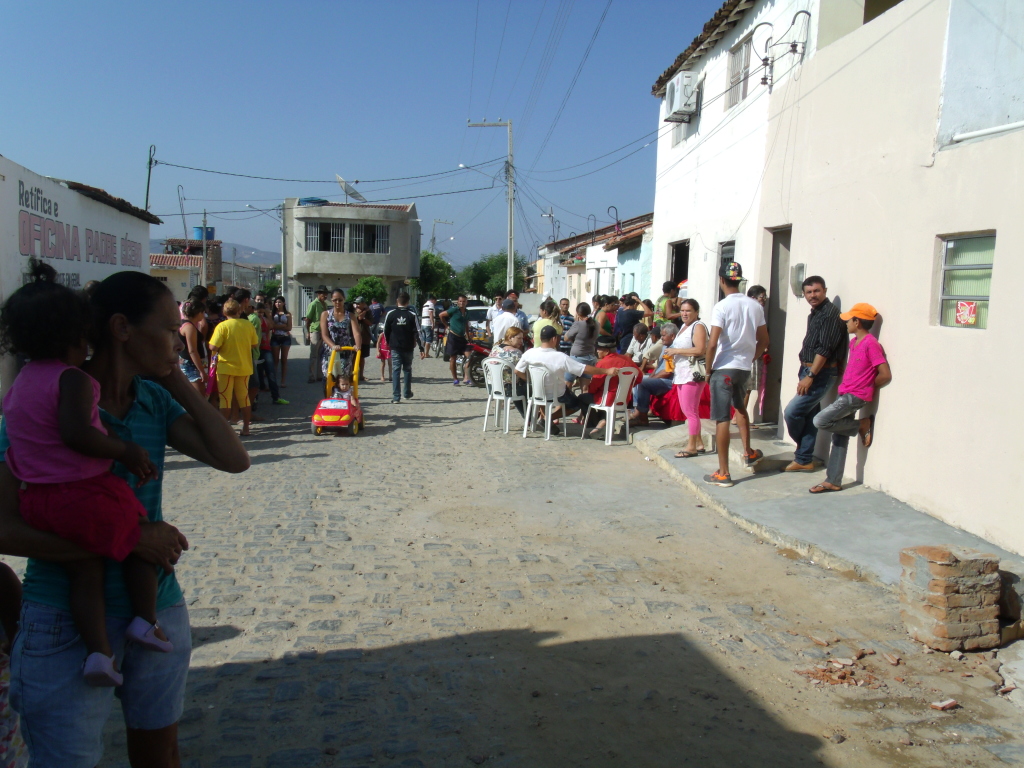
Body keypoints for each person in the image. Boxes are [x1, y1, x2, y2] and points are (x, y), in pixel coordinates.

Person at [0, 268, 248, 767]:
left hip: (156, 610)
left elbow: (232, 458)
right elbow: (4, 527)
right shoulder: (39, 405)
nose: (180, 335)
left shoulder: (153, 400)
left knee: (159, 754)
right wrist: (128, 540)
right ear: (121, 328)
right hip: (64, 621)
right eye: (167, 326)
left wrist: (173, 375)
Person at [0, 260, 169, 687]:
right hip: (82, 491)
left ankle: (98, 652)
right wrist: (125, 449)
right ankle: (145, 620)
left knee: (85, 572)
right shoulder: (72, 380)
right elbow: (77, 433)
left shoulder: (20, 383)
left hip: (39, 498)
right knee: (139, 540)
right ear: (75, 335)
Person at [809, 304, 892, 494]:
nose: (846, 323)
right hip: (845, 392)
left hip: (854, 396)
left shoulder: (871, 343)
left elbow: (885, 374)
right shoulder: (854, 342)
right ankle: (834, 481)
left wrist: (866, 387)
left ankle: (862, 425)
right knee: (840, 436)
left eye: (849, 319)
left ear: (857, 322)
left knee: (820, 420)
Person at [703, 262, 769, 487]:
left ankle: (723, 473)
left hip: (724, 368)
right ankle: (748, 452)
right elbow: (765, 340)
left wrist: (708, 369)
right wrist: (750, 358)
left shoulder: (721, 307)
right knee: (740, 407)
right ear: (739, 280)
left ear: (721, 280)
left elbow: (712, 344)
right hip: (743, 368)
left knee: (722, 419)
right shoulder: (755, 306)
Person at [783, 276, 848, 472]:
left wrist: (810, 376)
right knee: (809, 416)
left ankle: (802, 451)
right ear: (804, 294)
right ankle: (804, 459)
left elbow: (824, 350)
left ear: (825, 291)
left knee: (792, 413)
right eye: (809, 292)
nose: (813, 295)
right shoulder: (815, 313)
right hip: (808, 369)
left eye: (817, 291)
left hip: (820, 373)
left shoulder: (829, 315)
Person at [515, 325, 617, 433]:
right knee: (577, 404)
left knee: (543, 390)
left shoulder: (529, 353)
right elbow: (583, 369)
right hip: (557, 395)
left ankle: (545, 419)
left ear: (540, 339)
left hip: (536, 393)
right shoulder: (560, 357)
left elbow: (517, 371)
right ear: (554, 339)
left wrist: (531, 381)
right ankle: (547, 419)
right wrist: (606, 371)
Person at [662, 299, 709, 458]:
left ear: (696, 312)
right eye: (682, 310)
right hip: (681, 373)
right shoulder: (684, 327)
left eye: (688, 311)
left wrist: (676, 351)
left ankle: (691, 447)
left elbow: (700, 349)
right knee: (688, 410)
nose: (684, 314)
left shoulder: (698, 326)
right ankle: (699, 443)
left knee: (690, 412)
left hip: (692, 374)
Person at [209, 298, 260, 436]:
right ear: (239, 310)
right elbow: (255, 343)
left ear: (224, 312)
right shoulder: (247, 325)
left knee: (225, 399)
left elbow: (213, 346)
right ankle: (246, 429)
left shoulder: (222, 326)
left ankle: (225, 432)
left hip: (225, 368)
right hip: (244, 367)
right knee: (244, 398)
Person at [584, 336, 642, 437]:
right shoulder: (627, 360)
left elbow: (593, 387)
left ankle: (598, 424)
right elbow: (639, 377)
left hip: (605, 399)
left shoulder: (602, 363)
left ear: (606, 351)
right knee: (603, 401)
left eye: (599, 349)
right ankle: (603, 422)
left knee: (582, 398)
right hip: (624, 399)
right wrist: (626, 388)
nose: (597, 351)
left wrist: (589, 389)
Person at [628, 324, 678, 427]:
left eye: (663, 335)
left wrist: (651, 379)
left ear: (672, 336)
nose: (661, 338)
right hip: (660, 378)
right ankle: (638, 410)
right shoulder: (665, 346)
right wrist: (651, 377)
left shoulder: (675, 349)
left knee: (642, 382)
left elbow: (667, 372)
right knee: (638, 379)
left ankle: (641, 416)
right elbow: (659, 365)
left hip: (668, 381)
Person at [383, 292, 425, 404]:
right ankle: (407, 393)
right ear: (408, 302)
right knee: (407, 369)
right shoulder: (412, 315)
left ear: (397, 301)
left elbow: (385, 331)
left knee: (396, 370)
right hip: (408, 347)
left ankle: (396, 397)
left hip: (395, 347)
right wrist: (421, 348)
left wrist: (388, 342)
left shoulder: (390, 314)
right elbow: (418, 332)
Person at [320, 289, 362, 383]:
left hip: (345, 351)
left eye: (340, 300)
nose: (337, 302)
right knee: (329, 378)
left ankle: (343, 396)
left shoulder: (350, 315)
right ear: (331, 300)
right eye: (335, 300)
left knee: (343, 380)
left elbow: (356, 333)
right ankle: (329, 396)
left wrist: (357, 345)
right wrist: (333, 346)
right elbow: (324, 335)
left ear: (344, 299)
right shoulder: (325, 314)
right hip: (330, 352)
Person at [488, 326, 528, 416]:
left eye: (522, 339)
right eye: (519, 338)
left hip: (492, 387)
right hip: (507, 389)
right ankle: (530, 415)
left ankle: (528, 416)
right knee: (527, 386)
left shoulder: (495, 348)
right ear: (510, 337)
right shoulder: (516, 352)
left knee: (515, 383)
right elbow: (522, 371)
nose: (521, 341)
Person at [743, 285, 769, 421]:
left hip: (753, 352)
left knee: (748, 388)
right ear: (753, 298)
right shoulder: (752, 312)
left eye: (765, 297)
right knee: (746, 388)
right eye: (762, 297)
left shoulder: (754, 311)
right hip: (750, 354)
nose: (764, 300)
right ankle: (739, 417)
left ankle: (740, 416)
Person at [256, 303, 288, 406]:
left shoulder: (265, 319)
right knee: (257, 374)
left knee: (271, 372)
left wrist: (267, 314)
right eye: (259, 312)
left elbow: (271, 325)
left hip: (266, 347)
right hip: (256, 349)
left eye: (262, 312)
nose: (260, 314)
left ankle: (276, 397)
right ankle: (255, 398)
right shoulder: (252, 319)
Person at [562, 301, 598, 383]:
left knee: (568, 383)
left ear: (578, 313)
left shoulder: (578, 324)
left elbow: (566, 338)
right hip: (590, 357)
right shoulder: (596, 324)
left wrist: (575, 322)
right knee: (585, 387)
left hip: (577, 357)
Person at [178, 301, 208, 397]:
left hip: (185, 362)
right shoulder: (189, 327)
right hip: (191, 365)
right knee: (199, 397)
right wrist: (201, 371)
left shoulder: (182, 324)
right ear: (199, 313)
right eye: (203, 312)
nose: (204, 315)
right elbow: (192, 351)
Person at [440, 295, 471, 386]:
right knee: (453, 358)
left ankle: (466, 377)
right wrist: (446, 326)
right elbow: (441, 315)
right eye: (460, 301)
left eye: (464, 301)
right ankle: (455, 379)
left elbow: (466, 324)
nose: (462, 303)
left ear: (466, 302)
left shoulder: (467, 312)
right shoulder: (454, 310)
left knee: (469, 356)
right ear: (458, 302)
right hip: (453, 337)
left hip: (462, 337)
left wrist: (468, 335)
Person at [305, 285, 329, 383]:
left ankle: (319, 375)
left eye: (326, 294)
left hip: (323, 331)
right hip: (315, 330)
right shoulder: (314, 304)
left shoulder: (325, 305)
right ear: (319, 294)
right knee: (314, 354)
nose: (325, 295)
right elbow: (308, 319)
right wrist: (307, 332)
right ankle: (311, 376)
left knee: (321, 354)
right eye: (323, 293)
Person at [270, 296, 292, 388]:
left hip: (285, 338)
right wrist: (282, 326)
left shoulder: (288, 314)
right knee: (275, 360)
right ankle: (273, 380)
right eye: (276, 302)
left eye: (279, 302)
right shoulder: (272, 313)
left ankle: (283, 380)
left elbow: (289, 327)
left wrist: (277, 326)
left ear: (283, 303)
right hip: (275, 337)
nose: (277, 304)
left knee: (284, 360)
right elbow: (271, 326)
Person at [352, 297, 373, 384]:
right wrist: (364, 312)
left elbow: (370, 322)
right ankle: (353, 375)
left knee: (362, 357)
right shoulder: (353, 311)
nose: (357, 305)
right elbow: (359, 318)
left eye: (359, 303)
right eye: (356, 303)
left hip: (364, 337)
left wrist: (364, 317)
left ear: (363, 304)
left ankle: (361, 375)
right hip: (354, 337)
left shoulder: (369, 312)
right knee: (353, 357)